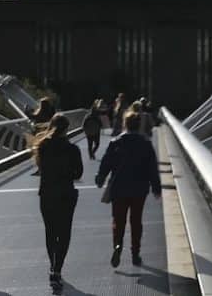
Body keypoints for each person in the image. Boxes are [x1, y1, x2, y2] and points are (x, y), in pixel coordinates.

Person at [96, 111, 161, 268]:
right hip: (139, 188)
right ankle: (135, 253)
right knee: (136, 220)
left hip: (119, 187)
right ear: (139, 125)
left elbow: (106, 163)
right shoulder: (145, 143)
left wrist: (100, 178)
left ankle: (117, 246)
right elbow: (152, 167)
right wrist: (156, 187)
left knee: (118, 220)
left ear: (125, 124)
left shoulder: (115, 143)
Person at [33, 114, 83, 291]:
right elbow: (78, 174)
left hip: (47, 194)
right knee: (64, 232)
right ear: (66, 129)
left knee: (50, 231)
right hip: (66, 194)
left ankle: (52, 265)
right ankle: (57, 269)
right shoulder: (73, 149)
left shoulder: (42, 147)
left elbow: (41, 168)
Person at [29, 97, 56, 176]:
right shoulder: (51, 112)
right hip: (48, 135)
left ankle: (40, 169)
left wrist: (27, 110)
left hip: (39, 136)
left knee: (38, 153)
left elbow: (32, 117)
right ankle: (49, 168)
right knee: (48, 153)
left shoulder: (39, 113)